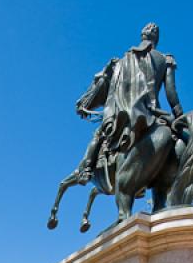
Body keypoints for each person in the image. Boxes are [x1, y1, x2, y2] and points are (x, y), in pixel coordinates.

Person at [75, 22, 184, 184]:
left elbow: (113, 91)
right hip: (155, 114)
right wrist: (180, 116)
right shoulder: (165, 59)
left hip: (126, 113)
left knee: (99, 135)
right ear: (157, 40)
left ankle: (87, 169)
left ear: (142, 36)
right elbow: (171, 93)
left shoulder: (123, 60)